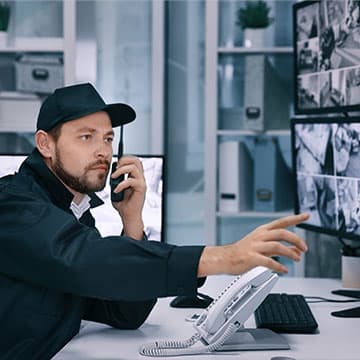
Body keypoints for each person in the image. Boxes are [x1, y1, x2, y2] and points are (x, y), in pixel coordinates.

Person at [0, 83, 309, 359]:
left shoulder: (73, 210)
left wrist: (133, 220)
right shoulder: (15, 205)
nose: (102, 151)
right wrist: (223, 257)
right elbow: (81, 259)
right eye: (86, 137)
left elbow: (123, 314)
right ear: (45, 145)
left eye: (108, 139)